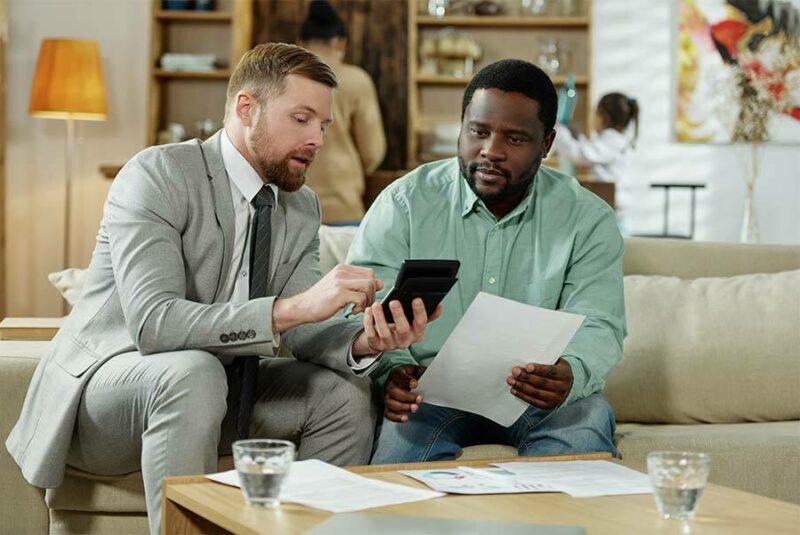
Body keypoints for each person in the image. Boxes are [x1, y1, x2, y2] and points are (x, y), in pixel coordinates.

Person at [6, 43, 437, 534]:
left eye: (324, 125)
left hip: (223, 388)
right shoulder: (158, 174)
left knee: (343, 394)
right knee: (192, 372)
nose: (317, 138)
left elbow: (299, 333)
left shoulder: (300, 206)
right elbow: (154, 324)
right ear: (246, 107)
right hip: (108, 395)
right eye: (302, 119)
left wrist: (366, 341)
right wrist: (292, 307)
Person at [346, 59, 626, 464]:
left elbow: (601, 322)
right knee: (399, 471)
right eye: (478, 132)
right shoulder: (404, 203)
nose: (491, 151)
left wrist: (571, 372)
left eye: (514, 139)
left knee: (588, 419)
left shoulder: (587, 218)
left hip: (536, 396)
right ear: (462, 126)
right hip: (429, 393)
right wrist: (394, 370)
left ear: (546, 145)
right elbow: (361, 306)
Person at [299, 0, 386, 225]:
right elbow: (373, 152)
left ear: (300, 43)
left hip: (291, 208)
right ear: (340, 42)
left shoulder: (281, 79)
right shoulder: (356, 80)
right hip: (343, 205)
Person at [551, 92, 639, 234]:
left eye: (595, 113)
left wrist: (560, 132)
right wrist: (578, 137)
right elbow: (591, 151)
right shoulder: (614, 140)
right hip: (614, 211)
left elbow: (581, 155)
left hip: (613, 214)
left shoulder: (612, 140)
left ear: (604, 118)